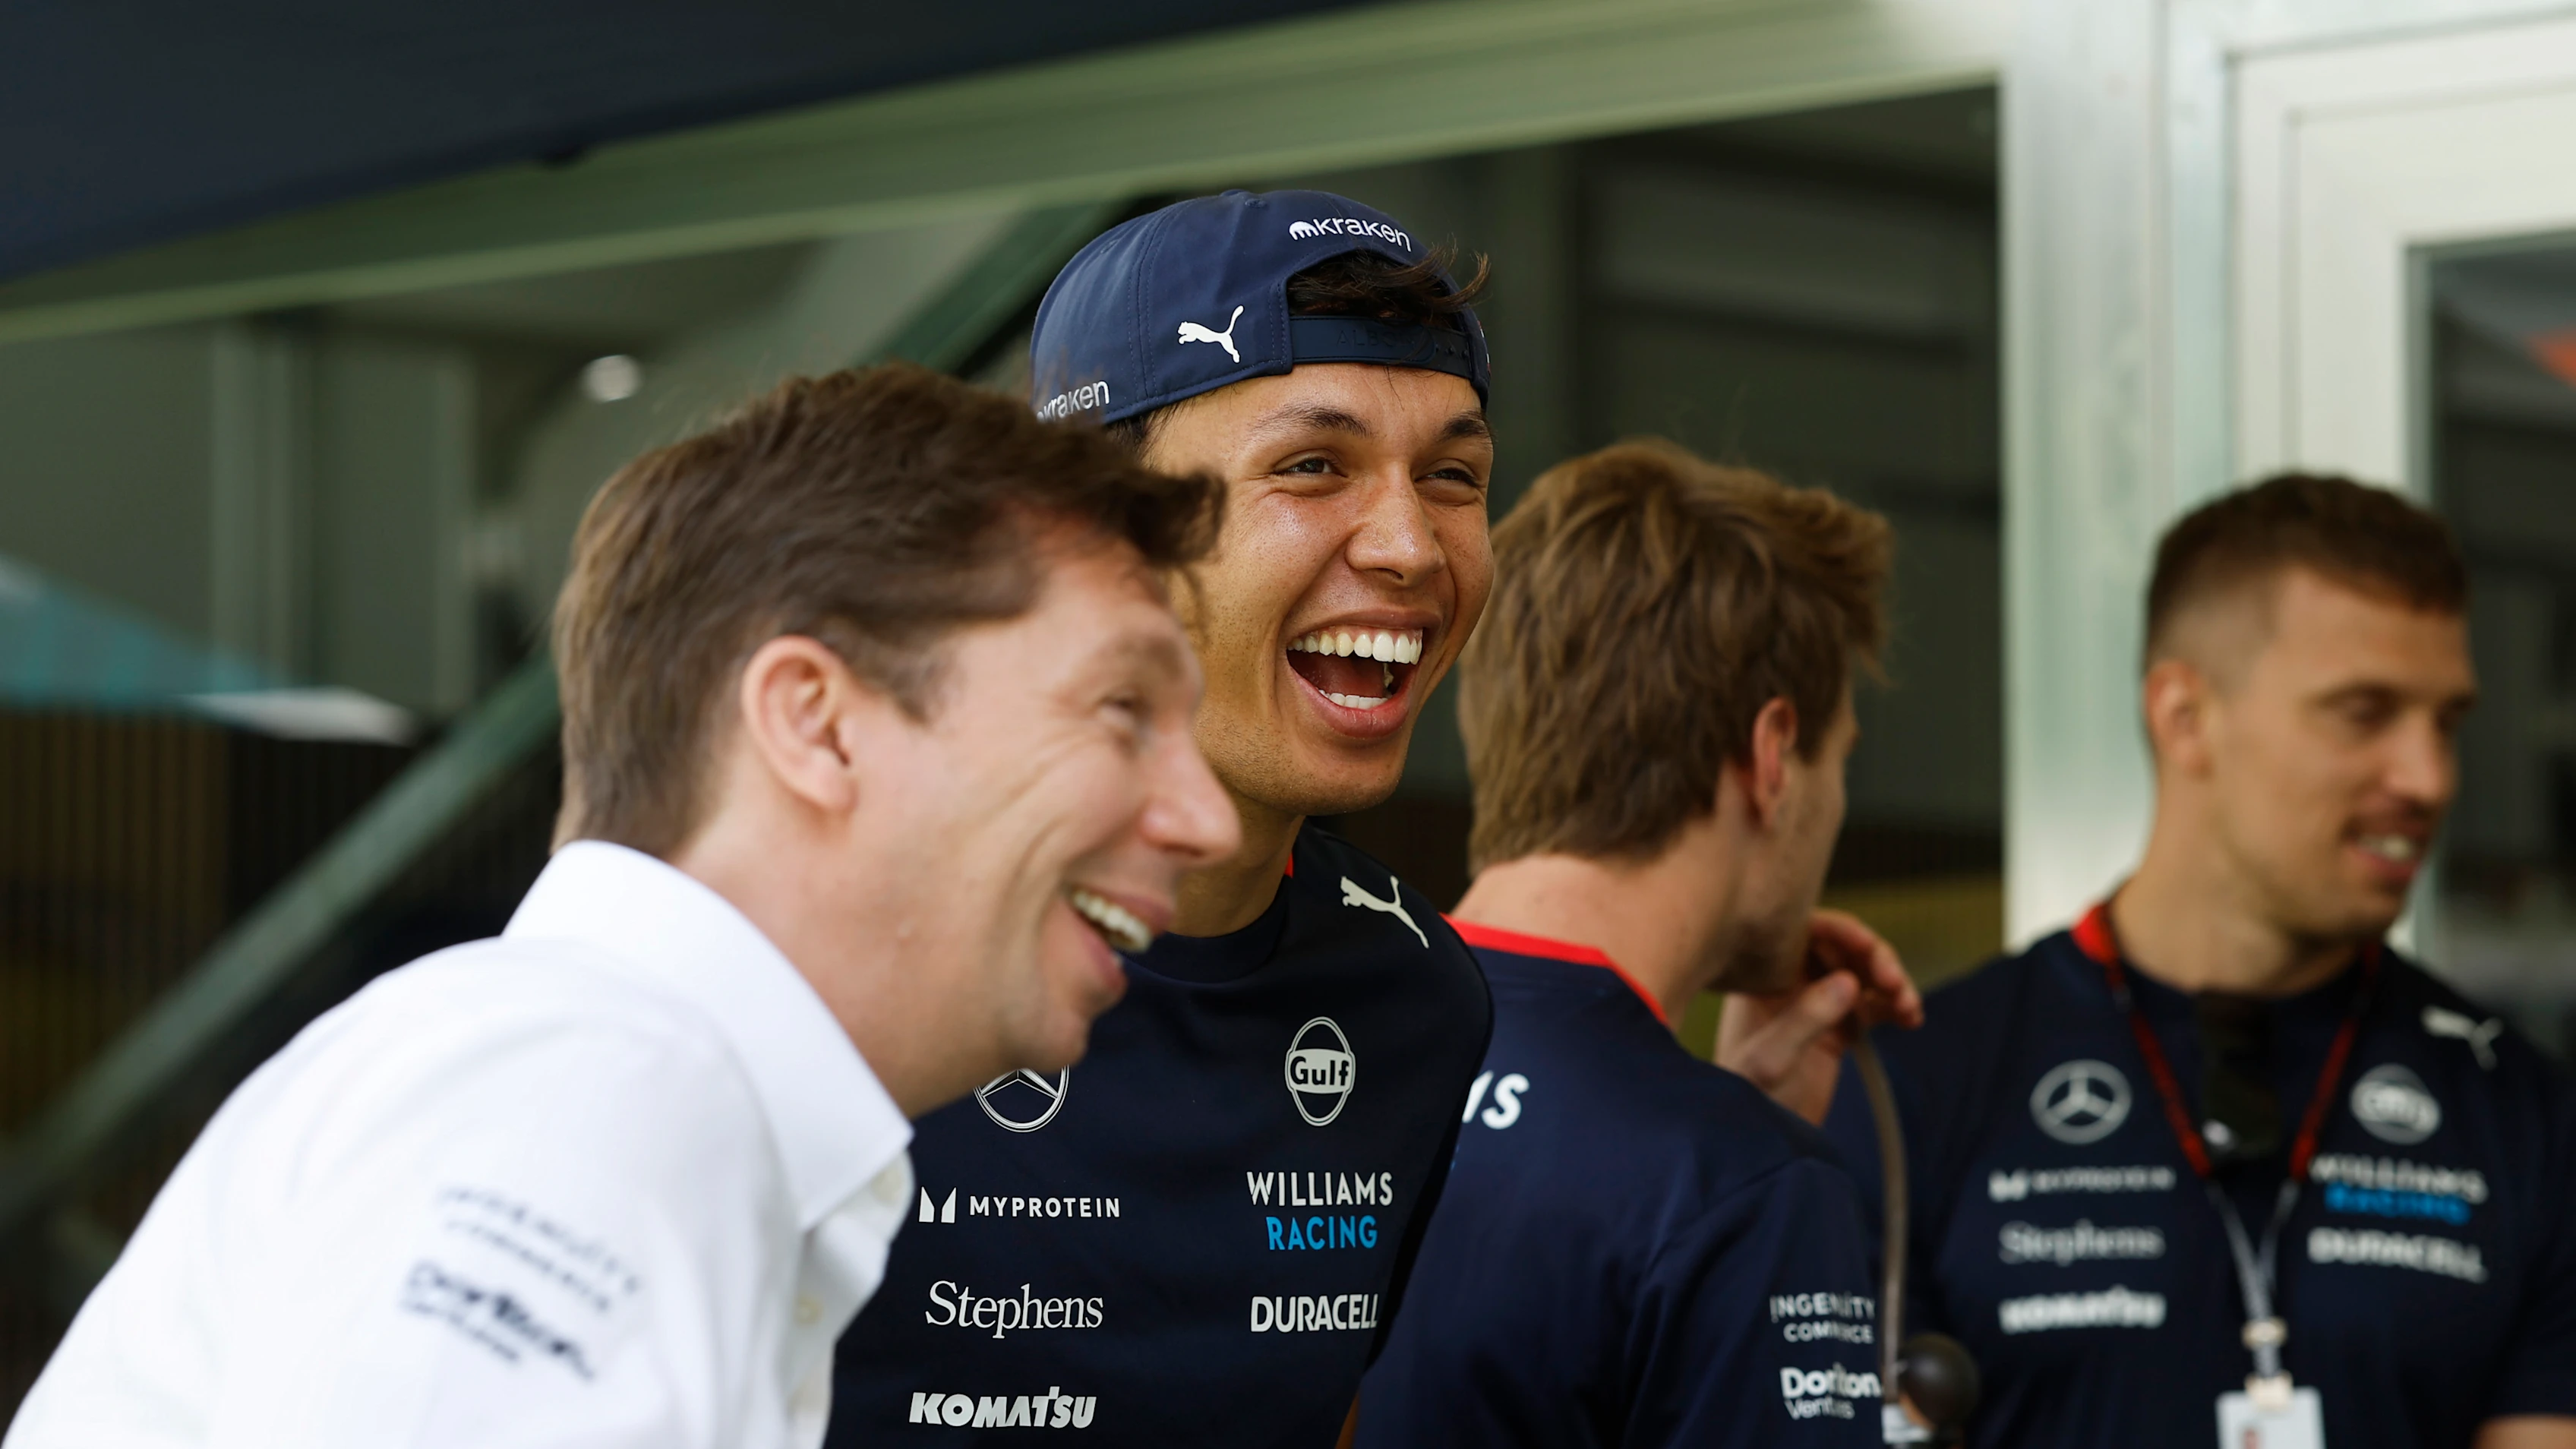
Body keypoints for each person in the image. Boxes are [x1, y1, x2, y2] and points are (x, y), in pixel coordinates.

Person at [4, 364, 1239, 1449]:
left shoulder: (598, 1078)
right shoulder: (596, 1085)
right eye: (1121, 708)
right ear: (815, 722)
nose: (1206, 816)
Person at [826, 189, 1504, 1447]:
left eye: (1454, 475)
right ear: (1097, 528)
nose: (1411, 543)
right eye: (1313, 465)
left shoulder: (1414, 993)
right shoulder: (832, 949)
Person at [1823, 474, 2576, 1448]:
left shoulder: (2520, 1115)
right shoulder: (1918, 1088)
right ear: (2183, 717)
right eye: (2363, 712)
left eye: (2445, 724)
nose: (2425, 778)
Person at [1352, 440, 1922, 1447]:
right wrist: (1736, 1165)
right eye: (1842, 762)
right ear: (1773, 754)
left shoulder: (1284, 1049)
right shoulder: (1736, 1192)